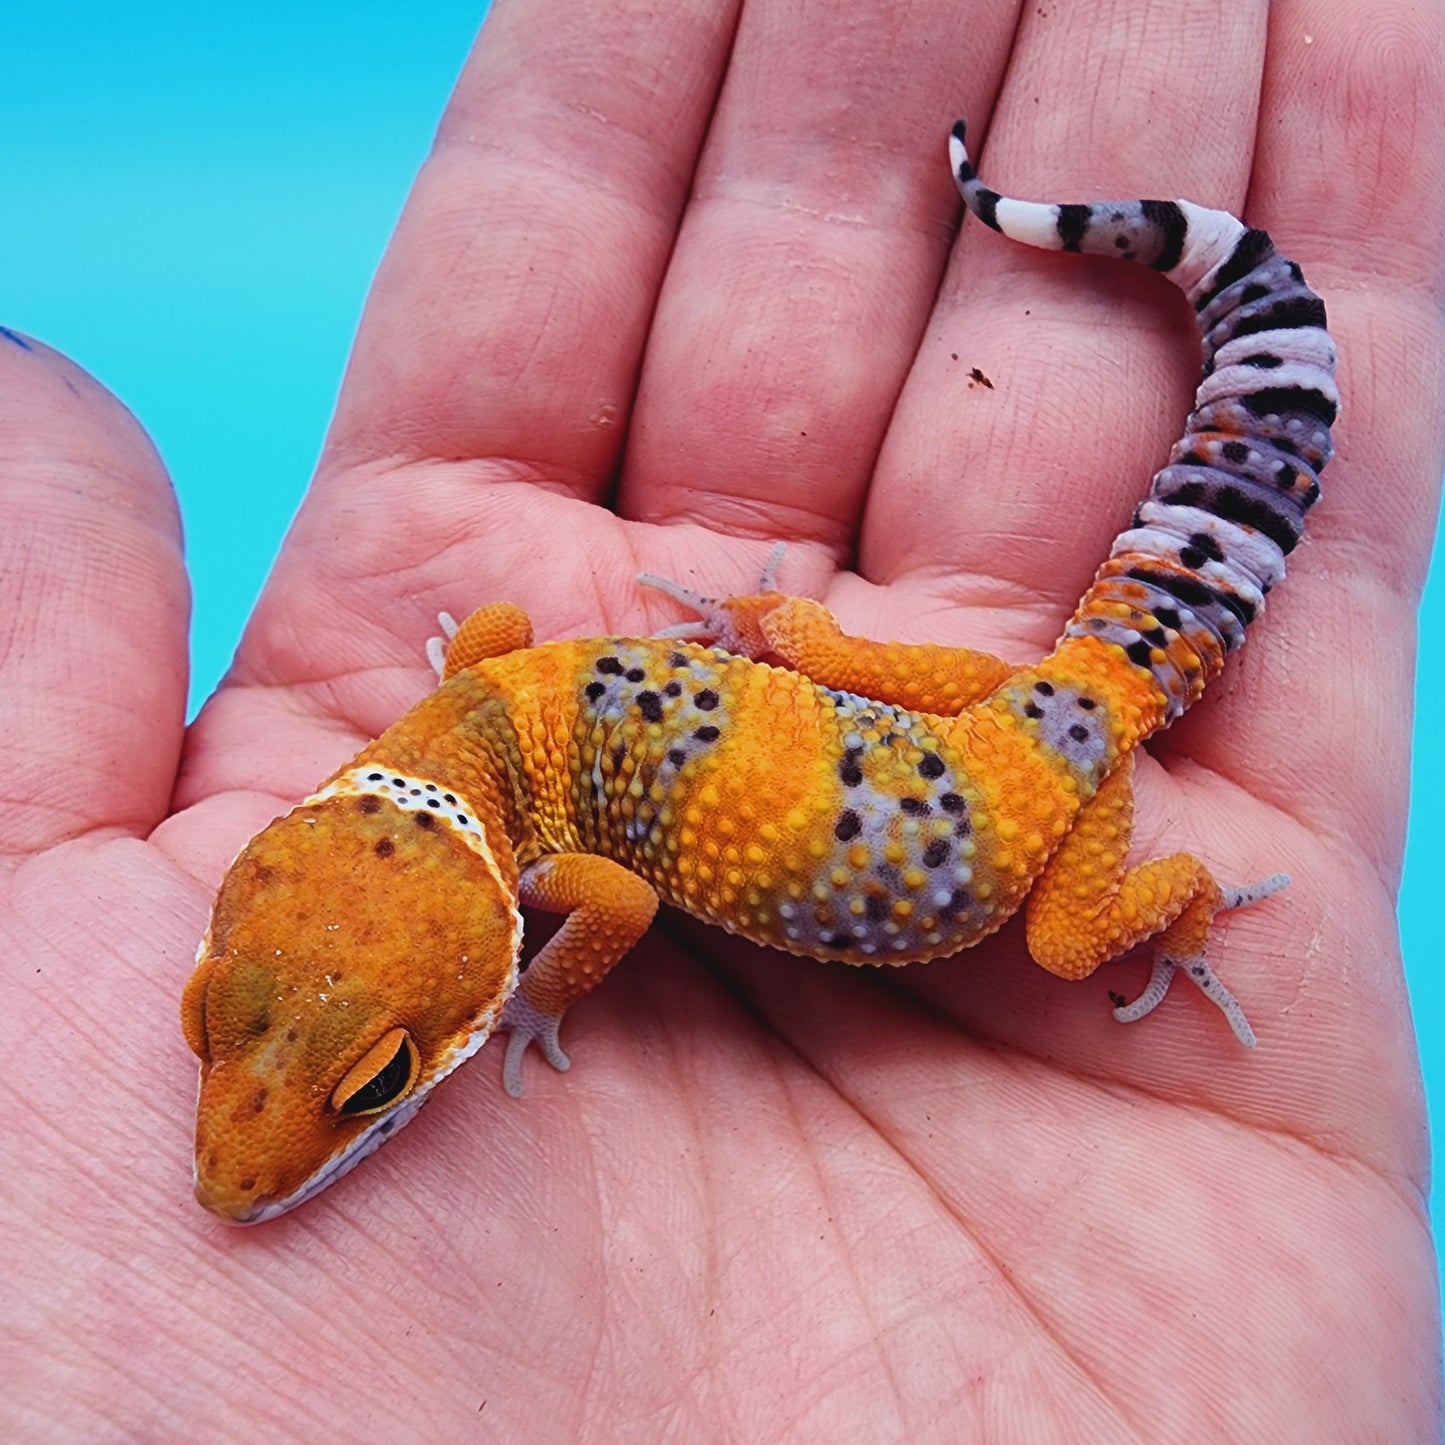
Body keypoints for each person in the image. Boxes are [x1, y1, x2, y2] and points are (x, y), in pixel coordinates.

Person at [4, 0, 1441, 1435]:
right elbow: (493, 647)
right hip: (997, 719)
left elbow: (614, 898)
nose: (267, 1113)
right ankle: (1163, 364)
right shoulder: (484, 695)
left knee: (1066, 937)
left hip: (1050, 785)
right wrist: (784, 644)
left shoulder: (551, 873)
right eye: (221, 1023)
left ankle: (1178, 905)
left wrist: (546, 993)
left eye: (376, 1077)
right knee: (824, 656)